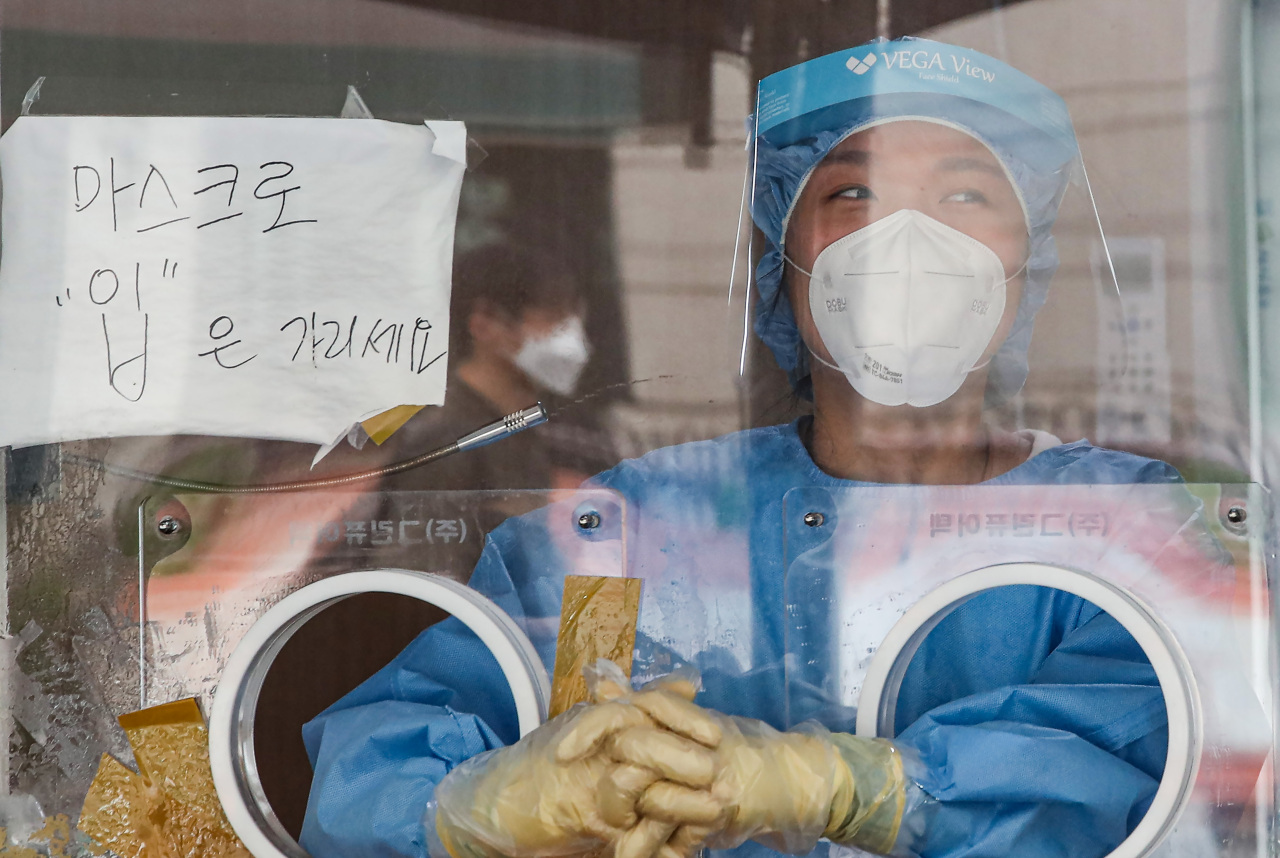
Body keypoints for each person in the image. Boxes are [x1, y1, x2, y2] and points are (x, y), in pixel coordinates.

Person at [298, 36, 1206, 858]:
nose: (907, 242)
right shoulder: (631, 534)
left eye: (966, 194)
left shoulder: (1121, 531)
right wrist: (483, 806)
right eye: (853, 193)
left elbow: (1148, 763)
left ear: (1028, 252)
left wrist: (850, 787)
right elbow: (364, 778)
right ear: (784, 251)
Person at [364, 243, 615, 493]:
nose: (574, 342)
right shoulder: (443, 438)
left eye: (574, 320)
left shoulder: (540, 425)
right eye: (554, 320)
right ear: (484, 324)